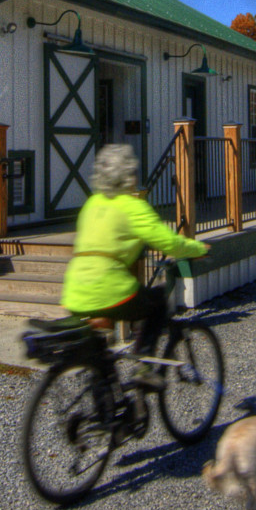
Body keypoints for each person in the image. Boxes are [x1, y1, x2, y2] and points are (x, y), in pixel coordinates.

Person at [61, 144, 210, 382]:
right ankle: (144, 368)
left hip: (75, 291)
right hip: (110, 290)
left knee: (99, 352)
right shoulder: (132, 206)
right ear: (129, 176)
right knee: (158, 302)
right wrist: (197, 248)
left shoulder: (91, 205)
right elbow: (167, 241)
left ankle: (102, 402)